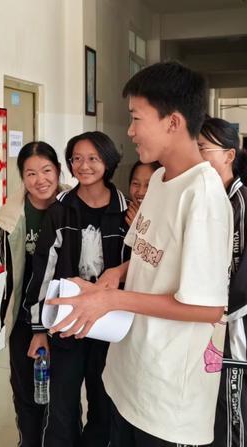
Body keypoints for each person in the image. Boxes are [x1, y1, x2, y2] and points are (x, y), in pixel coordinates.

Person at [48, 61, 233, 447]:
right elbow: (155, 256)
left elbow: (207, 308)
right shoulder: (162, 179)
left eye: (136, 118)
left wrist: (112, 300)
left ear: (173, 122)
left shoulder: (203, 196)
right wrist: (117, 273)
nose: (130, 131)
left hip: (165, 398)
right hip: (131, 372)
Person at [23, 131, 128, 447]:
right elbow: (43, 270)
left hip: (110, 326)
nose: (84, 166)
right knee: (62, 407)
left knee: (105, 405)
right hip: (66, 324)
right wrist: (39, 329)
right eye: (77, 159)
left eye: (93, 158)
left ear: (108, 161)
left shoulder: (126, 211)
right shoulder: (60, 210)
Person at [0, 141, 62, 447]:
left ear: (58, 171)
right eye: (31, 173)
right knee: (26, 392)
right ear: (22, 177)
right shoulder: (10, 217)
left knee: (61, 395)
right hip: (23, 318)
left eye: (47, 170)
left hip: (62, 317)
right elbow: (6, 262)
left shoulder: (72, 207)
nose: (40, 180)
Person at [198, 117, 247, 447]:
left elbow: (240, 279)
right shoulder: (207, 198)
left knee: (232, 413)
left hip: (230, 330)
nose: (198, 157)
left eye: (204, 149)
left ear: (229, 155)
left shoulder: (240, 203)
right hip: (203, 326)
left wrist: (216, 313)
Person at [125, 160, 160, 226]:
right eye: (136, 183)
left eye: (148, 185)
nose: (141, 192)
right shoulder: (120, 215)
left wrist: (138, 228)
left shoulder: (170, 219)